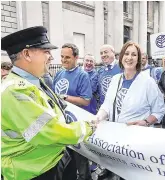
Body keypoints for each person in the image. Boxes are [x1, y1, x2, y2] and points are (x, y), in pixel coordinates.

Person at [1, 26, 96, 180]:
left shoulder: (34, 81)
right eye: (46, 51)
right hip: (33, 171)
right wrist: (87, 127)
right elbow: (48, 131)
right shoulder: (15, 91)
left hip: (50, 161)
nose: (51, 57)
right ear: (27, 54)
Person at [94, 41, 165, 180]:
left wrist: (144, 122)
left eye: (134, 54)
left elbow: (159, 111)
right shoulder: (115, 80)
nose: (129, 57)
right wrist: (97, 118)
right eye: (126, 53)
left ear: (138, 59)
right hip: (116, 140)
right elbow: (107, 105)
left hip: (136, 142)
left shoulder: (147, 82)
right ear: (121, 57)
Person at [53, 43, 93, 180]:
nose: (63, 60)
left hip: (76, 125)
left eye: (67, 57)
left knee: (81, 164)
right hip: (61, 126)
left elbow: (86, 100)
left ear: (76, 57)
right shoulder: (58, 73)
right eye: (62, 56)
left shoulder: (82, 75)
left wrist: (64, 97)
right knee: (65, 165)